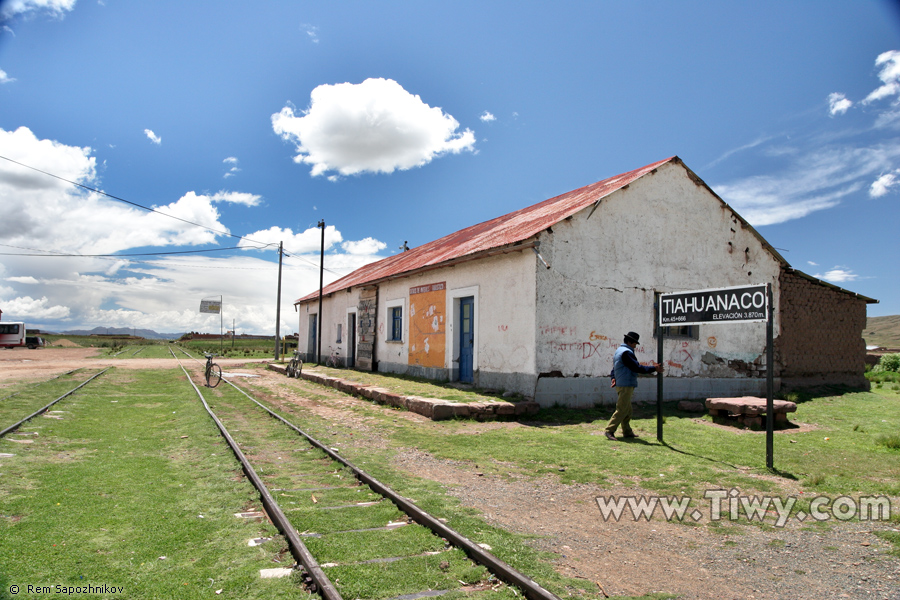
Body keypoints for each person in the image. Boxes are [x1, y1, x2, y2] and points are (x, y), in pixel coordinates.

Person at [605, 331, 662, 440]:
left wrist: (613, 378)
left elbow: (615, 368)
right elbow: (637, 368)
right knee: (622, 409)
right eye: (635, 343)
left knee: (627, 409)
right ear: (630, 342)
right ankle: (609, 430)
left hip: (622, 383)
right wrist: (654, 368)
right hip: (625, 384)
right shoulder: (627, 353)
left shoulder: (619, 351)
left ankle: (627, 431)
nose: (635, 346)